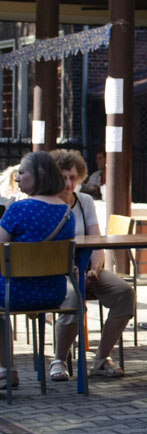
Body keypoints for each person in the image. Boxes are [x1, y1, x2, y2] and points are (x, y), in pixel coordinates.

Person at [47, 149, 132, 381]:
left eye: (72, 177)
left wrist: (95, 268)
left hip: (86, 269)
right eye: (63, 177)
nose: (67, 183)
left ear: (80, 178)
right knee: (74, 299)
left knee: (124, 293)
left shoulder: (84, 202)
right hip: (57, 272)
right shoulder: (47, 204)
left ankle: (102, 358)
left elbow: (96, 241)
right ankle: (59, 360)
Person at [0, 151, 75, 389]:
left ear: (40, 174)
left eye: (22, 173)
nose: (18, 178)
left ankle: (5, 370)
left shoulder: (18, 209)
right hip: (54, 294)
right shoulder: (67, 213)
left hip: (16, 293)